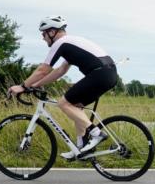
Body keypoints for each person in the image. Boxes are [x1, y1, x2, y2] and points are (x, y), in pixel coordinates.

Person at [8, 16, 118, 159]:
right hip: (109, 74)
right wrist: (35, 85)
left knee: (63, 103)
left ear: (52, 32)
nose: (43, 38)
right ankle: (81, 147)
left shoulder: (60, 43)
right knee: (75, 106)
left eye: (43, 34)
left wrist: (22, 86)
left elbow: (43, 70)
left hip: (100, 74)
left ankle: (96, 134)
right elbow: (61, 71)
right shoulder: (70, 43)